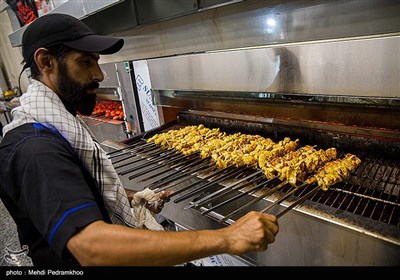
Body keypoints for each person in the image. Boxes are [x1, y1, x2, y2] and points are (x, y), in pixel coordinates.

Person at [0, 13, 279, 267]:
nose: (98, 74)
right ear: (46, 62)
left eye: (96, 62)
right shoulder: (35, 149)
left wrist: (129, 198)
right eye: (85, 62)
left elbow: (71, 190)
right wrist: (227, 238)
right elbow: (91, 247)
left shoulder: (55, 125)